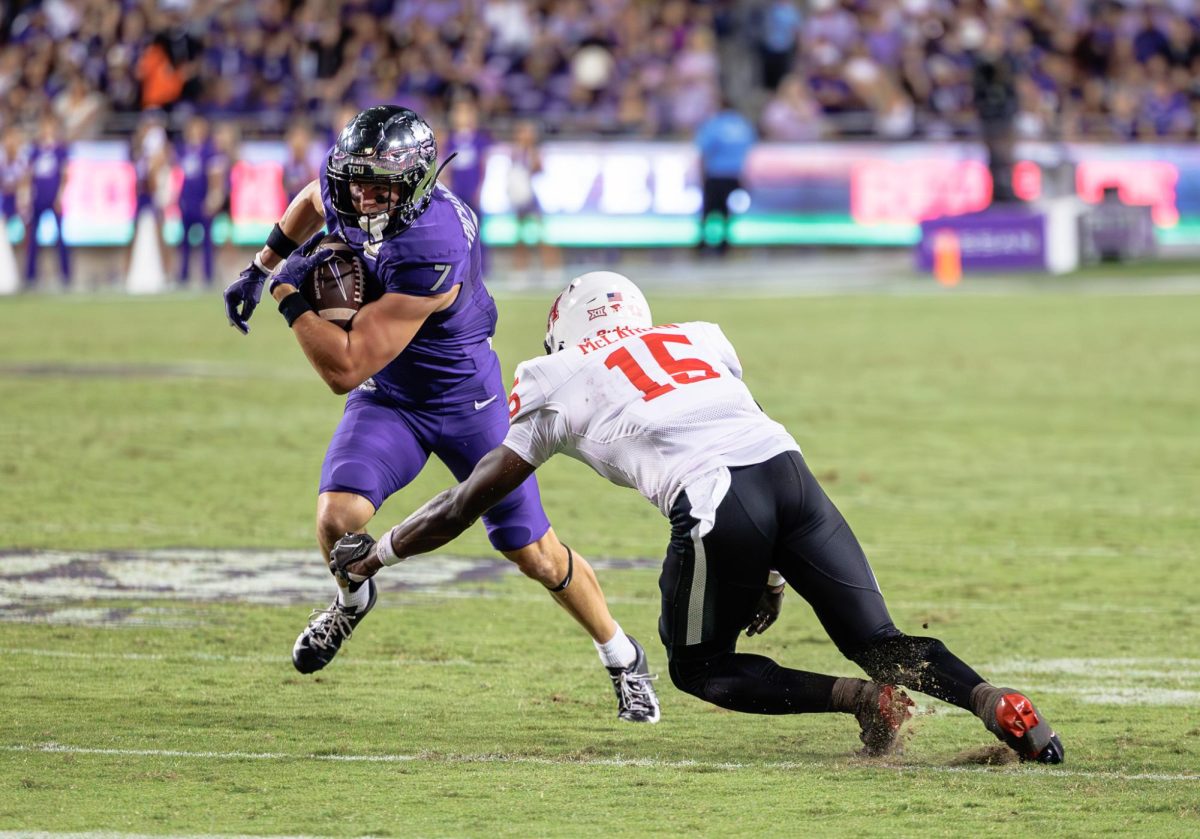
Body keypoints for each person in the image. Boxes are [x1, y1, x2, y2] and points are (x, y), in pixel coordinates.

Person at [327, 271, 1066, 764]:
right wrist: (770, 565)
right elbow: (729, 424)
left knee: (697, 666)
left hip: (718, 498)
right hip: (790, 474)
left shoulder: (553, 377)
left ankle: (863, 699)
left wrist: (377, 554)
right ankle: (990, 698)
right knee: (877, 637)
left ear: (564, 331)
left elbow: (464, 503)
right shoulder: (699, 337)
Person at [221, 106, 659, 724]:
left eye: (379, 188)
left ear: (417, 185)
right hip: (392, 395)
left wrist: (289, 294)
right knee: (336, 519)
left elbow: (343, 367)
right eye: (355, 182)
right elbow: (313, 201)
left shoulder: (434, 242)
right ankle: (351, 600)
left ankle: (622, 656)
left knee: (535, 553)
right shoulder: (351, 188)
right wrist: (261, 264)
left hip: (464, 402)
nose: (362, 198)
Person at [694, 97, 756, 257]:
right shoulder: (743, 125)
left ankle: (704, 244)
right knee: (728, 212)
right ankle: (724, 245)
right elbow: (749, 150)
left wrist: (701, 174)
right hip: (735, 175)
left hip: (715, 174)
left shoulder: (714, 124)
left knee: (710, 211)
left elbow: (703, 150)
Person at [24, 114, 70, 288]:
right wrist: (28, 196)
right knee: (33, 238)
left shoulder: (60, 150)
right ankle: (31, 275)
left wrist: (60, 196)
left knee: (60, 237)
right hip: (38, 197)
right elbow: (29, 175)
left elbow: (65, 174)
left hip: (53, 196)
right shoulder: (35, 150)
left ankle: (65, 274)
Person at [175, 115, 221, 287]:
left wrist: (213, 197)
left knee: (207, 239)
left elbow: (215, 176)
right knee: (184, 240)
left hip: (202, 199)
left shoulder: (210, 151)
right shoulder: (182, 150)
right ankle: (183, 275)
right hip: (187, 200)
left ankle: (207, 275)